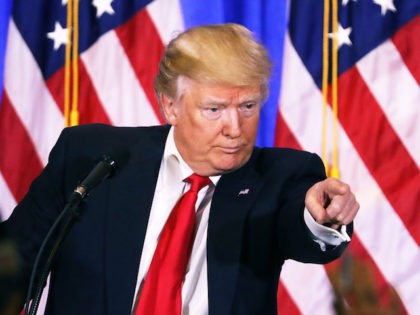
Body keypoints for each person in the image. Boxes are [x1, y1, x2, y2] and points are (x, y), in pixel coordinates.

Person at [1, 23, 359, 315]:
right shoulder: (90, 158)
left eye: (248, 106)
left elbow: (305, 230)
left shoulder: (283, 176)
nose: (235, 127)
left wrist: (322, 218)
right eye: (214, 110)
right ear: (170, 106)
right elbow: (12, 263)